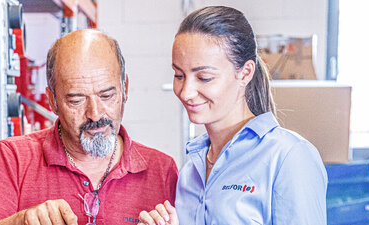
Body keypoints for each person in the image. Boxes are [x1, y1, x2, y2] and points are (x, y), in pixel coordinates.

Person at [0, 29, 179, 225]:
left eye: (107, 96)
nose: (95, 113)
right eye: (76, 100)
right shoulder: (13, 158)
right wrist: (21, 221)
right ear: (52, 101)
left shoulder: (162, 170)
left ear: (125, 89)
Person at [138, 6, 327, 225]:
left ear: (245, 72)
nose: (186, 92)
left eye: (204, 77)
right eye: (179, 75)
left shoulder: (288, 156)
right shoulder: (190, 173)